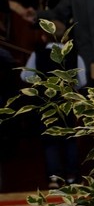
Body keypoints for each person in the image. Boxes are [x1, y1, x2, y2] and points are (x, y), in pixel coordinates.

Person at [21, 28, 87, 188]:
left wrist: (40, 84)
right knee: (70, 139)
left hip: (47, 102)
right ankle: (72, 176)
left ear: (44, 36)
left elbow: (25, 76)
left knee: (50, 141)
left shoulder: (38, 55)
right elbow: (82, 81)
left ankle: (54, 178)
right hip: (67, 103)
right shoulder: (74, 55)